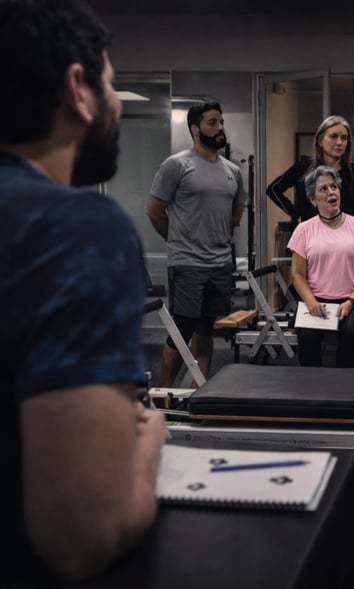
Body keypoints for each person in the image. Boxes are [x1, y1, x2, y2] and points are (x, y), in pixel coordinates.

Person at [0, 0, 167, 583]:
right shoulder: (75, 228)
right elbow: (83, 536)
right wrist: (149, 445)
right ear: (78, 90)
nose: (115, 102)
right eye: (111, 85)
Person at [147, 101, 248, 386]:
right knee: (183, 328)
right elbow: (154, 210)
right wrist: (177, 239)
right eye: (212, 122)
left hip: (219, 263)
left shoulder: (232, 171)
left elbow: (236, 211)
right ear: (195, 129)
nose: (220, 127)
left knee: (205, 328)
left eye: (221, 122)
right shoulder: (177, 165)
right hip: (187, 263)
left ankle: (197, 391)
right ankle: (168, 393)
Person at [287, 165, 354, 367]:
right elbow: (297, 275)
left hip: (352, 300)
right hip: (316, 300)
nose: (331, 192)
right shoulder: (303, 230)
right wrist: (311, 302)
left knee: (352, 334)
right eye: (323, 189)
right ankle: (312, 382)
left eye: (334, 187)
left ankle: (342, 380)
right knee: (308, 337)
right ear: (312, 200)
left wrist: (350, 302)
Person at [266, 114, 354, 226]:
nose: (339, 142)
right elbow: (273, 189)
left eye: (344, 138)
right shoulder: (303, 169)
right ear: (320, 141)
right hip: (310, 237)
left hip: (344, 236)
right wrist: (296, 214)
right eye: (333, 136)